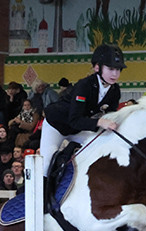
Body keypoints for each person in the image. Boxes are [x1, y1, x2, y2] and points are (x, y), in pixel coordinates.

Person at [41, 44, 125, 177]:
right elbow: (74, 120)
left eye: (118, 69)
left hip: (80, 129)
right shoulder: (84, 85)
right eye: (111, 69)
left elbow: (110, 116)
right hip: (56, 125)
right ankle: (42, 189)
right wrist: (99, 122)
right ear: (97, 67)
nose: (115, 74)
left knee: (98, 153)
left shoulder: (115, 90)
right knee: (46, 165)